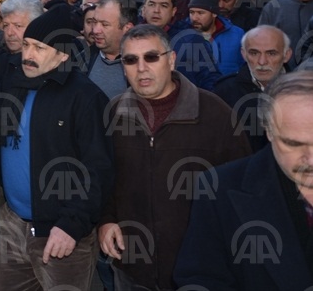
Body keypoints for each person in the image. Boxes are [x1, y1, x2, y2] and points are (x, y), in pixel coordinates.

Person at [99, 24, 251, 290]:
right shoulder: (113, 113)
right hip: (132, 270)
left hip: (198, 272)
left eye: (151, 57)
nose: (141, 67)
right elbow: (103, 177)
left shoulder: (215, 113)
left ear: (171, 60)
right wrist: (107, 219)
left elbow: (243, 188)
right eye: (131, 60)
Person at [0, 4, 113, 290]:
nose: (29, 55)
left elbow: (99, 170)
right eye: (27, 45)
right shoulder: (16, 84)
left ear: (62, 55)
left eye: (40, 49)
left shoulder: (86, 98)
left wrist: (72, 225)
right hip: (13, 225)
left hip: (60, 235)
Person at [174, 71, 313, 289]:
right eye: (294, 144)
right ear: (269, 131)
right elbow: (200, 279)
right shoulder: (218, 189)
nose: (310, 159)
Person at [213, 25, 291, 152]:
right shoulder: (224, 92)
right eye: (254, 53)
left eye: (271, 53)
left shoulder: (303, 91)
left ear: (286, 55)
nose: (262, 61)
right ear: (243, 54)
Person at [143, 0, 221, 90]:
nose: (156, 10)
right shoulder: (132, 39)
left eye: (164, 6)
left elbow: (210, 79)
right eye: (151, 4)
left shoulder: (190, 40)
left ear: (173, 11)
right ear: (144, 8)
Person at [80, 0, 136, 98]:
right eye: (95, 22)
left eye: (104, 25)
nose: (95, 30)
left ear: (127, 29)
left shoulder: (145, 63)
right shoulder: (81, 59)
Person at [188, 0, 245, 75]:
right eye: (192, 12)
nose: (195, 18)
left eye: (201, 13)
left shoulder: (237, 34)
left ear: (214, 14)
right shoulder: (183, 36)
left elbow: (245, 65)